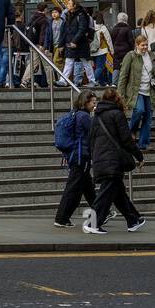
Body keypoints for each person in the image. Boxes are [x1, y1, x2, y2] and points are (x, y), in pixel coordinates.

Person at [84, 88, 145, 234]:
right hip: (113, 160)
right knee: (105, 194)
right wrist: (139, 156)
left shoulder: (95, 118)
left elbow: (90, 141)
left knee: (118, 192)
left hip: (101, 159)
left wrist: (95, 158)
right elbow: (126, 139)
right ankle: (92, 224)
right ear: (117, 99)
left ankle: (133, 220)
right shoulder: (117, 115)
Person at [54, 91, 97, 229]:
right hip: (81, 157)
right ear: (85, 102)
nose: (94, 105)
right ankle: (61, 218)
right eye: (93, 102)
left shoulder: (76, 114)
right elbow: (93, 133)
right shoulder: (84, 117)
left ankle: (101, 211)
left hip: (76, 155)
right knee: (73, 189)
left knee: (86, 187)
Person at [117, 32, 155, 150]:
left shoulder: (151, 55)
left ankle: (143, 144)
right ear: (137, 45)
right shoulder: (131, 55)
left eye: (146, 45)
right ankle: (131, 131)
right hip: (136, 90)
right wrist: (120, 93)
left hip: (149, 90)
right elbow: (123, 75)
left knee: (148, 118)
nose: (145, 47)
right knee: (139, 110)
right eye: (142, 45)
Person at [61, 0, 94, 88]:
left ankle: (92, 80)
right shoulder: (69, 15)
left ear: (74, 6)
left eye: (69, 4)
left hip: (79, 43)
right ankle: (63, 80)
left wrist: (74, 41)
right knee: (69, 61)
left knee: (85, 62)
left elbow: (82, 29)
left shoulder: (81, 15)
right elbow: (66, 30)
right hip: (74, 42)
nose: (67, 5)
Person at [110, 12, 136, 85]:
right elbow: (131, 41)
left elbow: (112, 39)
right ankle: (126, 82)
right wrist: (133, 49)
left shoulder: (114, 28)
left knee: (116, 66)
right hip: (126, 50)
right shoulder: (128, 29)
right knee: (126, 65)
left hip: (117, 50)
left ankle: (114, 82)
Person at [91, 10, 114, 87]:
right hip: (101, 50)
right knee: (100, 67)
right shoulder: (102, 27)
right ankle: (93, 81)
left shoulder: (90, 26)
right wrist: (111, 50)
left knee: (95, 67)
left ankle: (101, 82)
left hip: (92, 50)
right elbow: (108, 40)